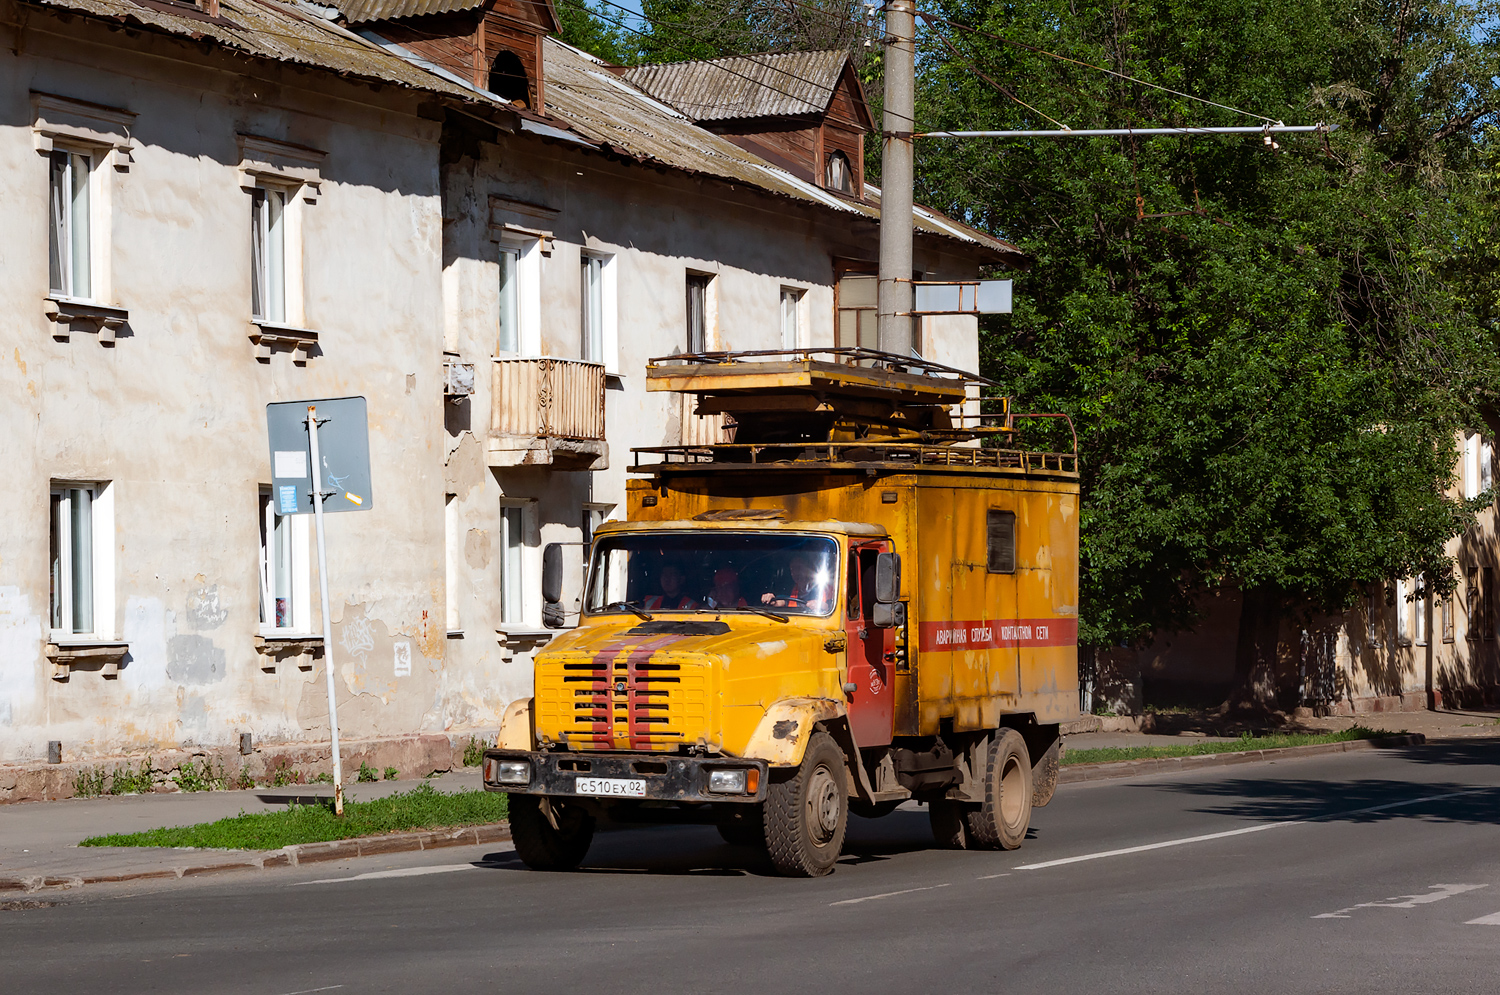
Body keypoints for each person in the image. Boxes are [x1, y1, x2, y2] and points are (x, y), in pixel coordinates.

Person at [761, 553, 832, 611]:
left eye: (799, 568)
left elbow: (834, 609)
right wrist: (772, 600)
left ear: (809, 569)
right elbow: (781, 602)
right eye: (792, 569)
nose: (795, 573)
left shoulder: (826, 588)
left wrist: (822, 606)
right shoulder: (789, 590)